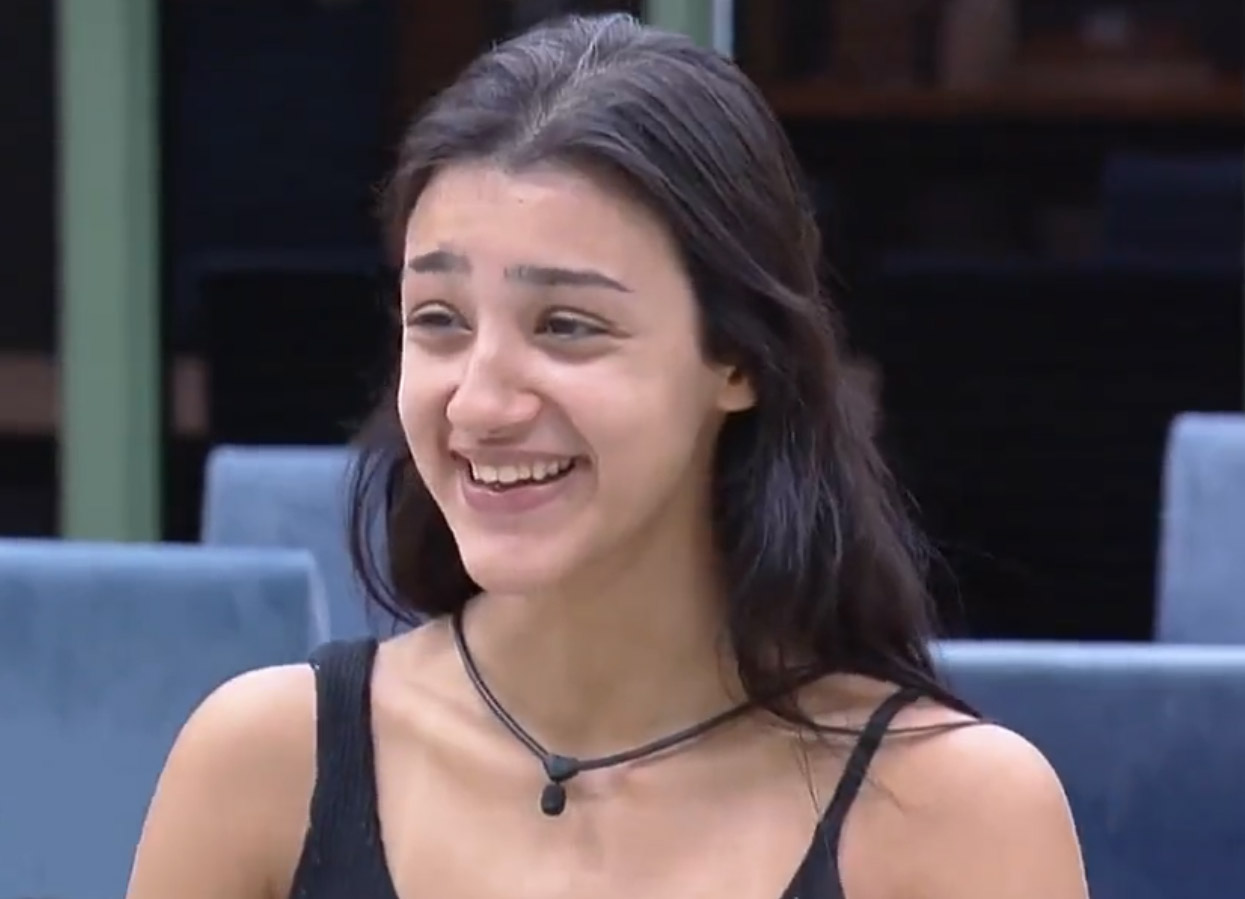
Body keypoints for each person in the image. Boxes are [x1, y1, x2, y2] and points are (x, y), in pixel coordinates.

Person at [126, 13, 1087, 899]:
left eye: (567, 325)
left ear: (739, 358)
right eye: (440, 319)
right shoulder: (263, 763)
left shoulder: (954, 816)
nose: (480, 402)